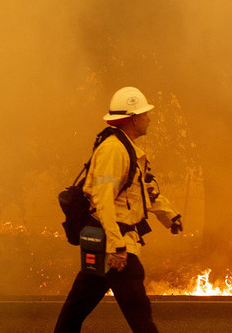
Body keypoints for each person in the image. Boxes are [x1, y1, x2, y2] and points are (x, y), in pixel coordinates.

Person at [55, 87, 183, 333]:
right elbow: (103, 200)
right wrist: (116, 247)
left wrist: (171, 217)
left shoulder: (127, 149)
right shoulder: (114, 150)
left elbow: (144, 193)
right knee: (140, 314)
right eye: (145, 114)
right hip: (115, 245)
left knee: (76, 309)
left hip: (107, 243)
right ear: (133, 119)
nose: (149, 119)